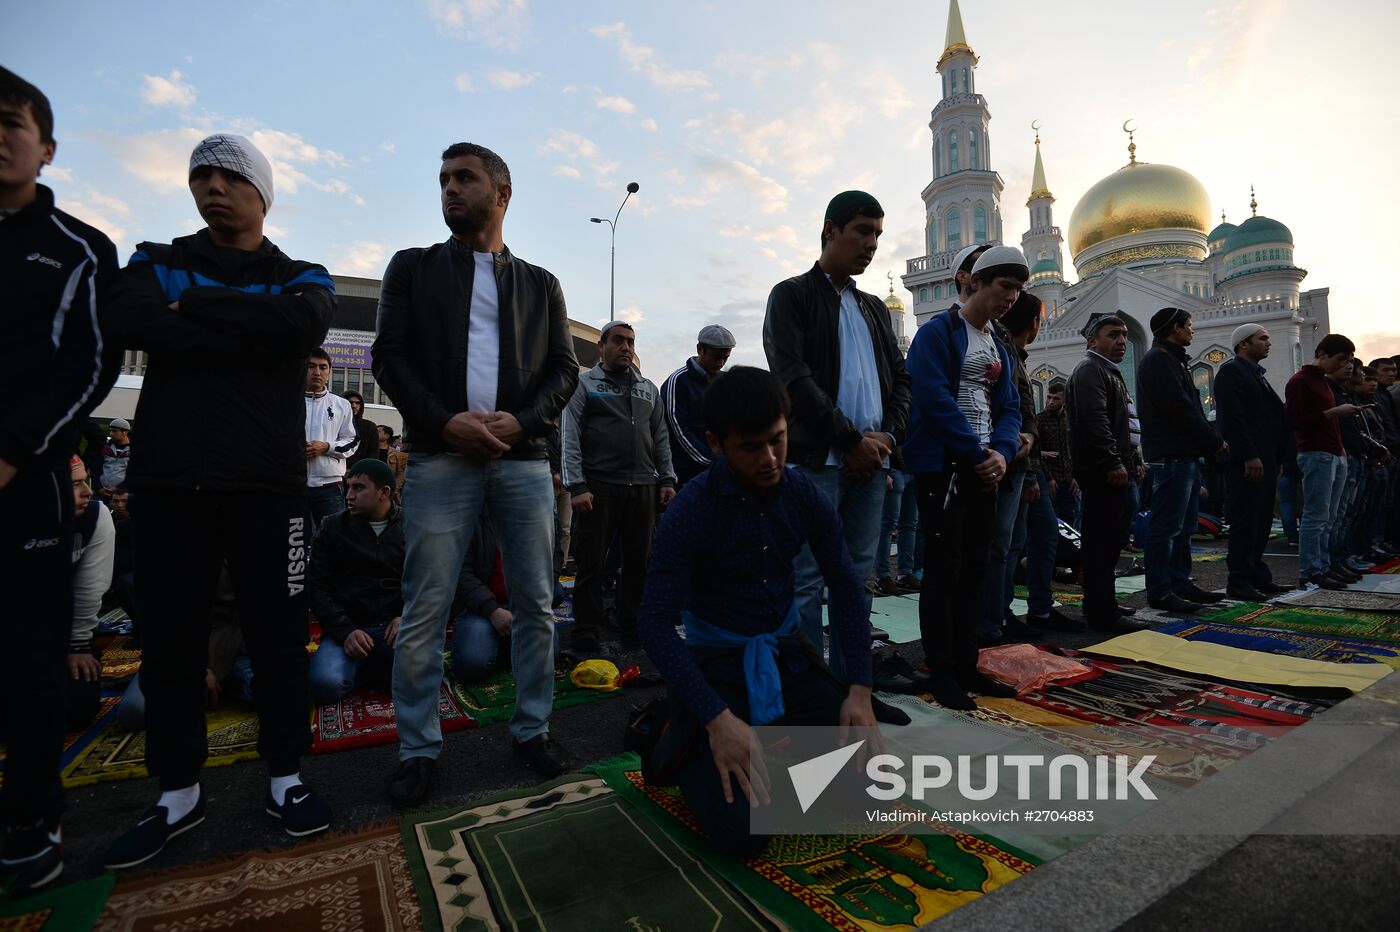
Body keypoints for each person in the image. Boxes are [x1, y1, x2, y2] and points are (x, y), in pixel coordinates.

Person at [100, 133, 336, 868]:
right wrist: (243, 324)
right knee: (171, 640)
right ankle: (177, 792)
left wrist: (194, 310)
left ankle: (287, 777)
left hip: (268, 485)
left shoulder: (302, 273)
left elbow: (301, 324)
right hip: (170, 482)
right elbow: (131, 320)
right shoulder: (152, 259)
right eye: (200, 175)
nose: (212, 187)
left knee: (278, 637)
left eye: (229, 176)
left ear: (261, 193)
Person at [372, 142, 579, 804]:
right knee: (426, 606)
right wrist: (445, 421)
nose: (449, 189)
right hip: (439, 458)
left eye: (465, 178)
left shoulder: (541, 284)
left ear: (503, 192)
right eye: (443, 180)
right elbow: (390, 357)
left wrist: (520, 423)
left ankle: (532, 730)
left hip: (521, 462)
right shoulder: (412, 269)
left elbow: (565, 370)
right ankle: (418, 750)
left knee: (537, 606)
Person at [636, 367, 877, 858]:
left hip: (785, 657)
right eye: (751, 447)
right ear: (716, 443)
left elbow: (847, 587)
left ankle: (765, 745)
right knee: (744, 836)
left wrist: (859, 689)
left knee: (873, 783)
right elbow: (654, 622)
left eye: (778, 440)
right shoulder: (691, 510)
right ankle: (682, 741)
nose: (769, 460)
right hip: (718, 671)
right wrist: (716, 719)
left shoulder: (802, 492)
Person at [0, 67, 118, 896]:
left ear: (46, 146)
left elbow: (91, 365)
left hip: (25, 482)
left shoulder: (79, 250)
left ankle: (30, 819)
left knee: (28, 660)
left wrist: (13, 450)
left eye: (12, 122)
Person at [762, 190, 911, 682]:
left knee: (857, 581)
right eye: (863, 231)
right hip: (816, 464)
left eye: (878, 235)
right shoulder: (792, 295)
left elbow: (902, 380)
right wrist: (850, 440)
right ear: (831, 230)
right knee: (807, 581)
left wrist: (886, 438)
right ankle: (810, 692)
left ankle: (853, 688)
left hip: (872, 464)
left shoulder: (872, 308)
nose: (872, 244)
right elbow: (792, 377)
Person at [902, 245, 1028, 709]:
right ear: (975, 282)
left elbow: (1010, 406)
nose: (1011, 298)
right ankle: (943, 672)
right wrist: (977, 453)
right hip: (946, 469)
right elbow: (933, 400)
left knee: (975, 567)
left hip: (983, 467)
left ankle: (966, 663)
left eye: (1017, 290)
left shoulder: (998, 342)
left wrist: (1001, 451)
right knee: (944, 570)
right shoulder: (937, 332)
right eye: (1004, 287)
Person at [561, 321, 677, 652]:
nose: (626, 347)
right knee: (591, 563)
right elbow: (570, 435)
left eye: (631, 341)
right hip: (597, 486)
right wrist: (577, 485)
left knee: (639, 562)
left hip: (642, 486)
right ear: (602, 346)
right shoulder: (584, 384)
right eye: (618, 341)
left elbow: (661, 437)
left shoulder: (648, 389)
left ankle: (633, 626)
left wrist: (667, 478)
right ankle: (587, 631)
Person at [997, 293, 1080, 633]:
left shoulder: (1016, 357)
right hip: (1020, 470)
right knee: (1009, 544)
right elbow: (1016, 418)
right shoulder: (1005, 357)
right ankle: (1000, 617)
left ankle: (1040, 610)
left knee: (1042, 538)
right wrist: (1031, 473)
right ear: (1034, 323)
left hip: (1032, 470)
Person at [1135, 307, 1227, 613]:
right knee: (1167, 527)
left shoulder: (1171, 359)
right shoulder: (1159, 361)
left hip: (1183, 454)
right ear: (1175, 328)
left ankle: (1180, 582)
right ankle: (1161, 590)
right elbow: (1181, 409)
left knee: (1184, 526)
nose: (1192, 331)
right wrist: (1213, 441)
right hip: (1171, 456)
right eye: (1188, 325)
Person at [1066, 314, 1150, 635]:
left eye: (1125, 334)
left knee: (1111, 542)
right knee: (1101, 543)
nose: (1122, 341)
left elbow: (1123, 424)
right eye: (1113, 334)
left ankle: (1105, 604)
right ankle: (1102, 613)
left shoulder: (1107, 372)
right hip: (1103, 472)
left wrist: (1132, 461)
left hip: (1117, 468)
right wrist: (1112, 462)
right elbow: (1095, 421)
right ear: (1092, 341)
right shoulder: (1090, 370)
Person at [307, 460, 404, 704]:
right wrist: (345, 630)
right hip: (349, 627)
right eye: (347, 487)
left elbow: (428, 583)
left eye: (359, 488)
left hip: (396, 628)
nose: (349, 496)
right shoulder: (332, 528)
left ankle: (370, 669)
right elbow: (317, 587)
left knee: (426, 675)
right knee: (325, 684)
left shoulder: (412, 527)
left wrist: (409, 617)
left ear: (384, 493)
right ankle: (377, 669)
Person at [979, 291, 1043, 644]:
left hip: (1016, 459)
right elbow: (1012, 407)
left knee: (1007, 544)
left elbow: (1020, 410)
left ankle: (999, 615)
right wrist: (1021, 450)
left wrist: (1028, 441)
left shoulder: (1009, 349)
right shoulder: (996, 342)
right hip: (1008, 460)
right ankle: (989, 622)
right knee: (998, 545)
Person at [1214, 324, 1293, 601]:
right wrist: (1248, 455)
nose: (1268, 342)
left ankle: (1256, 575)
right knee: (1245, 521)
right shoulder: (1231, 372)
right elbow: (1232, 419)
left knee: (1260, 521)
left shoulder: (1256, 376)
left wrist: (1278, 458)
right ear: (1243, 344)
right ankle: (1239, 581)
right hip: (1248, 462)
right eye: (1262, 338)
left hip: (1265, 459)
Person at [1285, 334, 1360, 590]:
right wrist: (1333, 413)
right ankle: (1310, 570)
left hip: (1333, 453)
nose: (1342, 365)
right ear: (1322, 354)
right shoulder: (1300, 381)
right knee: (1316, 515)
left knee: (1331, 516)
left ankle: (1324, 566)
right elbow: (1294, 421)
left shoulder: (1322, 382)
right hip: (1315, 453)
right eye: (1339, 359)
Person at [66, 457, 115, 731]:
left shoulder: (95, 517)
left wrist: (77, 644)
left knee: (75, 710)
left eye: (86, 480)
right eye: (75, 484)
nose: (88, 491)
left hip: (63, 633)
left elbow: (90, 588)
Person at [661, 324, 736, 486]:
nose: (721, 362)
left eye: (726, 357)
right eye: (716, 357)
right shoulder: (678, 381)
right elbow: (678, 430)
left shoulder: (726, 381)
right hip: (688, 475)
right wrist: (710, 461)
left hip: (722, 469)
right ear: (700, 349)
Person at [305, 349, 358, 528]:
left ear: (329, 372)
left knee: (333, 541)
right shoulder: (288, 401)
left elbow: (352, 441)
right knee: (293, 543)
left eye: (323, 367)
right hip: (294, 483)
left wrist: (326, 447)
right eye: (311, 366)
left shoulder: (341, 405)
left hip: (330, 486)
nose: (317, 372)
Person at [1037, 381, 1079, 530]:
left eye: (1056, 399)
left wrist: (1076, 476)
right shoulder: (1039, 420)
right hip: (1049, 478)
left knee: (1069, 518)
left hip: (1069, 479)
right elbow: (1035, 451)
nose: (1050, 402)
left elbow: (1077, 449)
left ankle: (1067, 552)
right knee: (1049, 522)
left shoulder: (1071, 419)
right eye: (1049, 397)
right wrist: (1048, 478)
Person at [342, 390, 380, 469]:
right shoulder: (335, 424)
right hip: (336, 472)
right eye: (350, 402)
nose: (354, 406)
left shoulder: (370, 426)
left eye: (357, 403)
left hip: (360, 473)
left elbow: (373, 453)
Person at [99, 417, 132, 497]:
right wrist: (99, 488)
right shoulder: (105, 447)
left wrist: (119, 488)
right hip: (102, 492)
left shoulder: (133, 450)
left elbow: (133, 473)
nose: (111, 434)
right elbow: (96, 468)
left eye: (114, 431)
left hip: (122, 495)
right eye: (110, 431)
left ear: (125, 432)